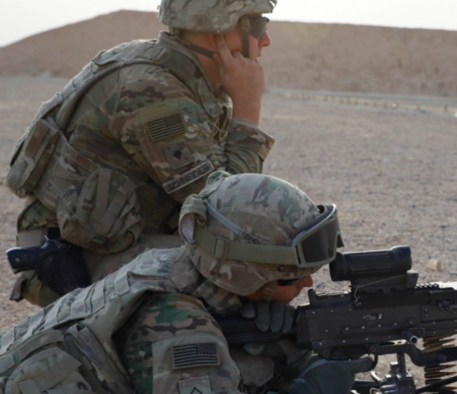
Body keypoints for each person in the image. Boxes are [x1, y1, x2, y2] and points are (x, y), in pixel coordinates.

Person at [5, 0, 278, 307]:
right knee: (242, 280)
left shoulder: (176, 71)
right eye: (257, 27)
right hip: (67, 257)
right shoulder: (153, 90)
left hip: (109, 232)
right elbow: (227, 212)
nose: (266, 40)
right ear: (214, 34)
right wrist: (248, 109)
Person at [0, 172, 373, 394]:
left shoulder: (170, 264)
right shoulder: (177, 324)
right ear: (247, 277)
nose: (308, 282)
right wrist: (311, 389)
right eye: (290, 276)